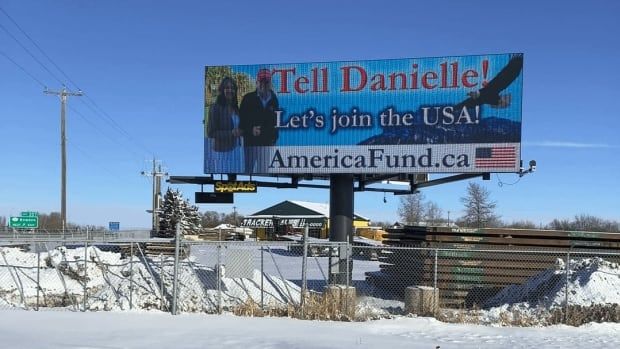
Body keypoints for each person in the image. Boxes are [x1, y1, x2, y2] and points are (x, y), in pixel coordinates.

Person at [239, 68, 279, 174]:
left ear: (270, 83)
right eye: (261, 81)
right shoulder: (247, 98)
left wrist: (273, 139)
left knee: (264, 171)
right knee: (248, 170)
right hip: (250, 144)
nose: (264, 85)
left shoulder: (274, 100)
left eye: (266, 82)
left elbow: (276, 123)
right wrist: (250, 129)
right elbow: (241, 121)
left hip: (266, 145)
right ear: (257, 82)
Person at [206, 77, 243, 173]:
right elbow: (211, 133)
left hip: (237, 151)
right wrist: (231, 133)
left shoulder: (236, 109)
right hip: (222, 153)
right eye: (227, 88)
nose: (230, 90)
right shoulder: (215, 107)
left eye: (232, 88)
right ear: (222, 90)